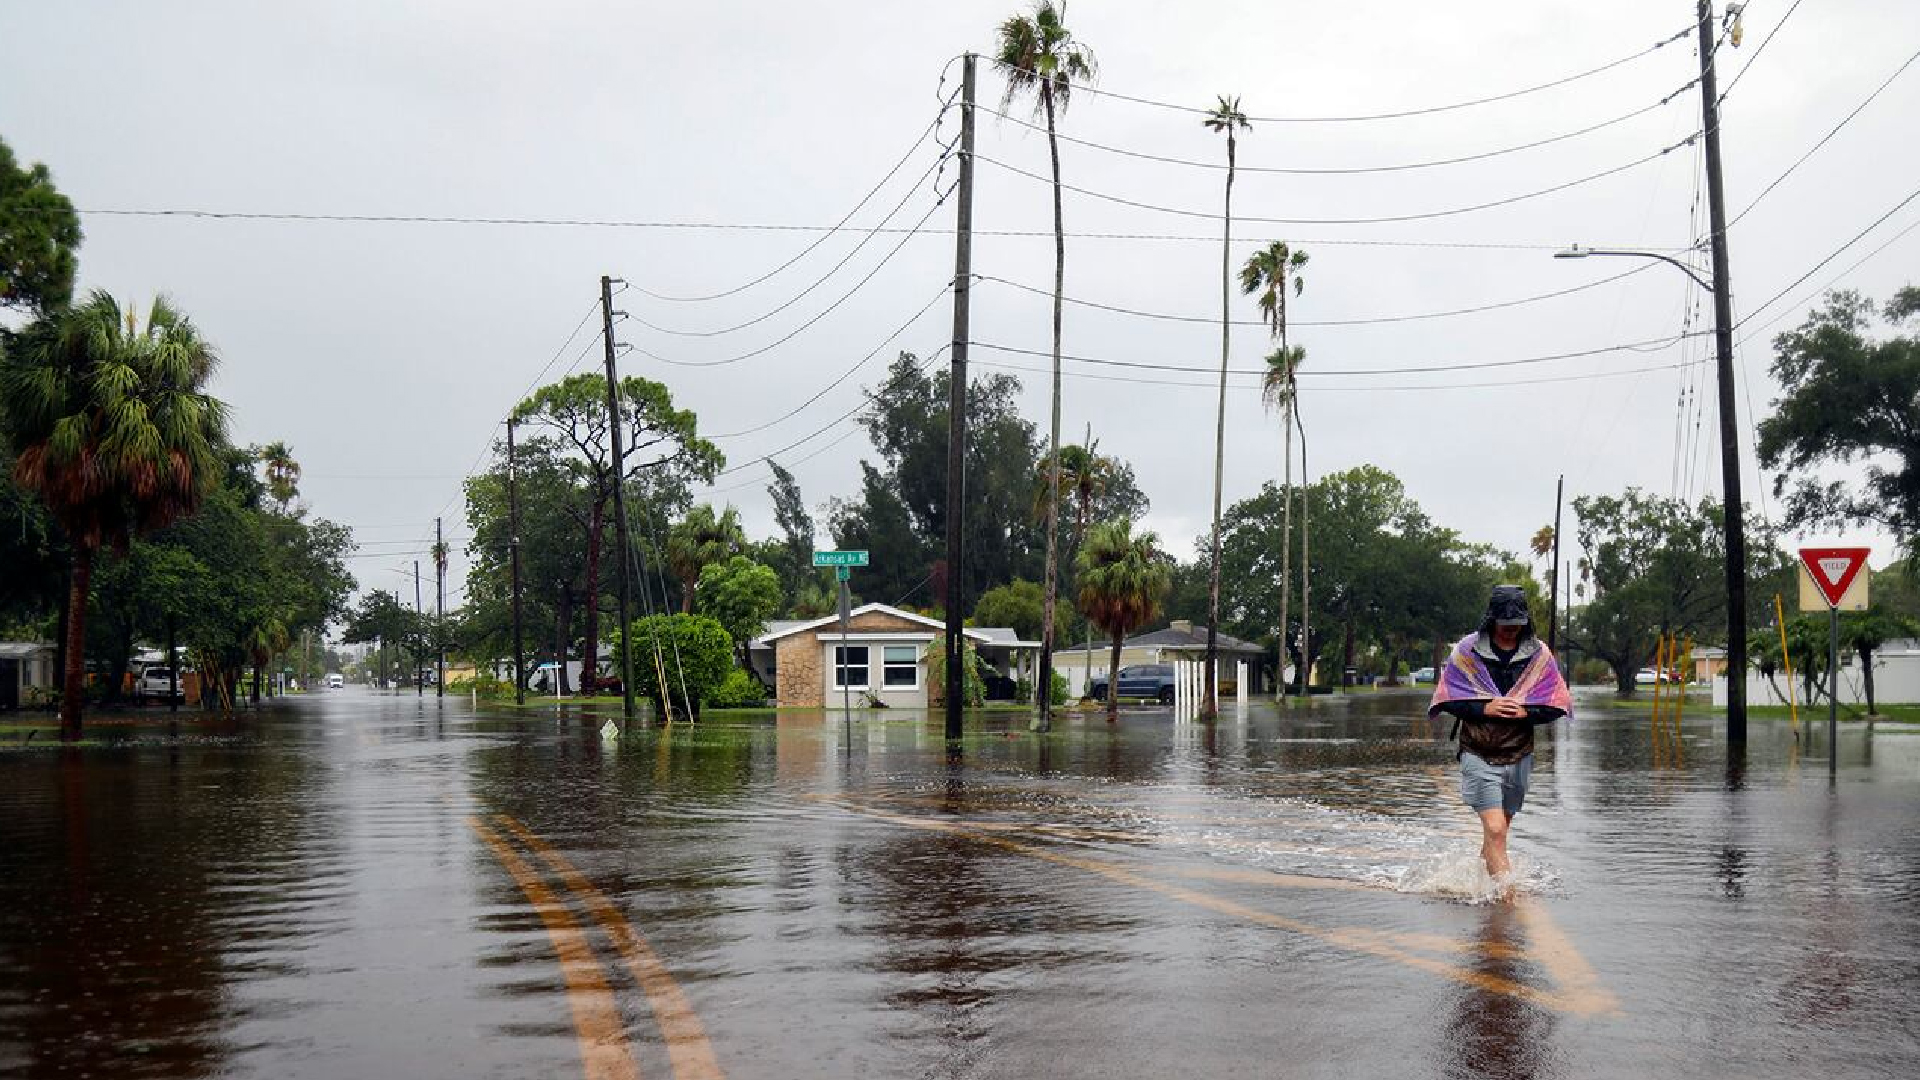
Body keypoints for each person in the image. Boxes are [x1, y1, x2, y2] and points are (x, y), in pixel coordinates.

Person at [1429, 584, 1572, 895]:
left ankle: (1480, 891)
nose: (1510, 631)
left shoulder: (1539, 655)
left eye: (1516, 625)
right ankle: (1508, 901)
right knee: (1494, 829)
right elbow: (1446, 699)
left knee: (1499, 834)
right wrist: (1485, 707)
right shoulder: (1466, 652)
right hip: (1477, 752)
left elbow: (1556, 703)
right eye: (1505, 624)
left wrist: (1526, 713)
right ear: (1491, 620)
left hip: (1519, 754)